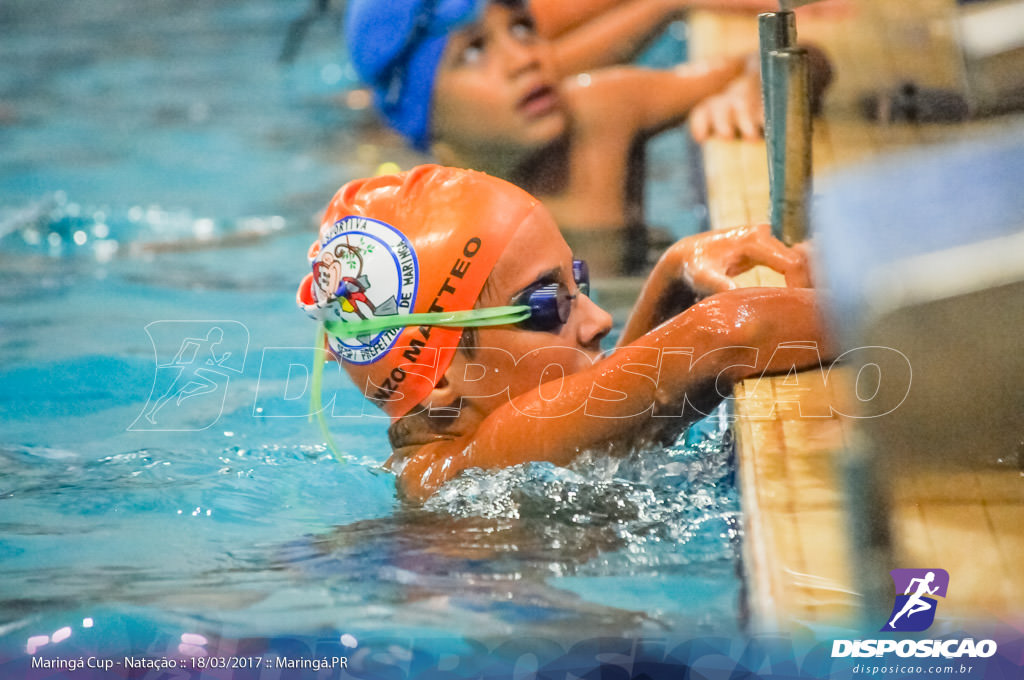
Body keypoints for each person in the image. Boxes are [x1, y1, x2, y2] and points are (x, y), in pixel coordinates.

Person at [297, 165, 833, 502]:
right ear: (436, 379)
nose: (599, 320)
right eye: (547, 304)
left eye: (578, 282)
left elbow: (619, 410)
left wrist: (672, 274)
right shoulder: (455, 476)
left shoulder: (476, 445)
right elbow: (718, 339)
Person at [344, 0, 799, 275]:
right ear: (420, 113)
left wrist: (752, 91)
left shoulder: (600, 115)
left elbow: (795, 59)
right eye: (475, 51)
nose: (525, 58)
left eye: (523, 27)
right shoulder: (431, 240)